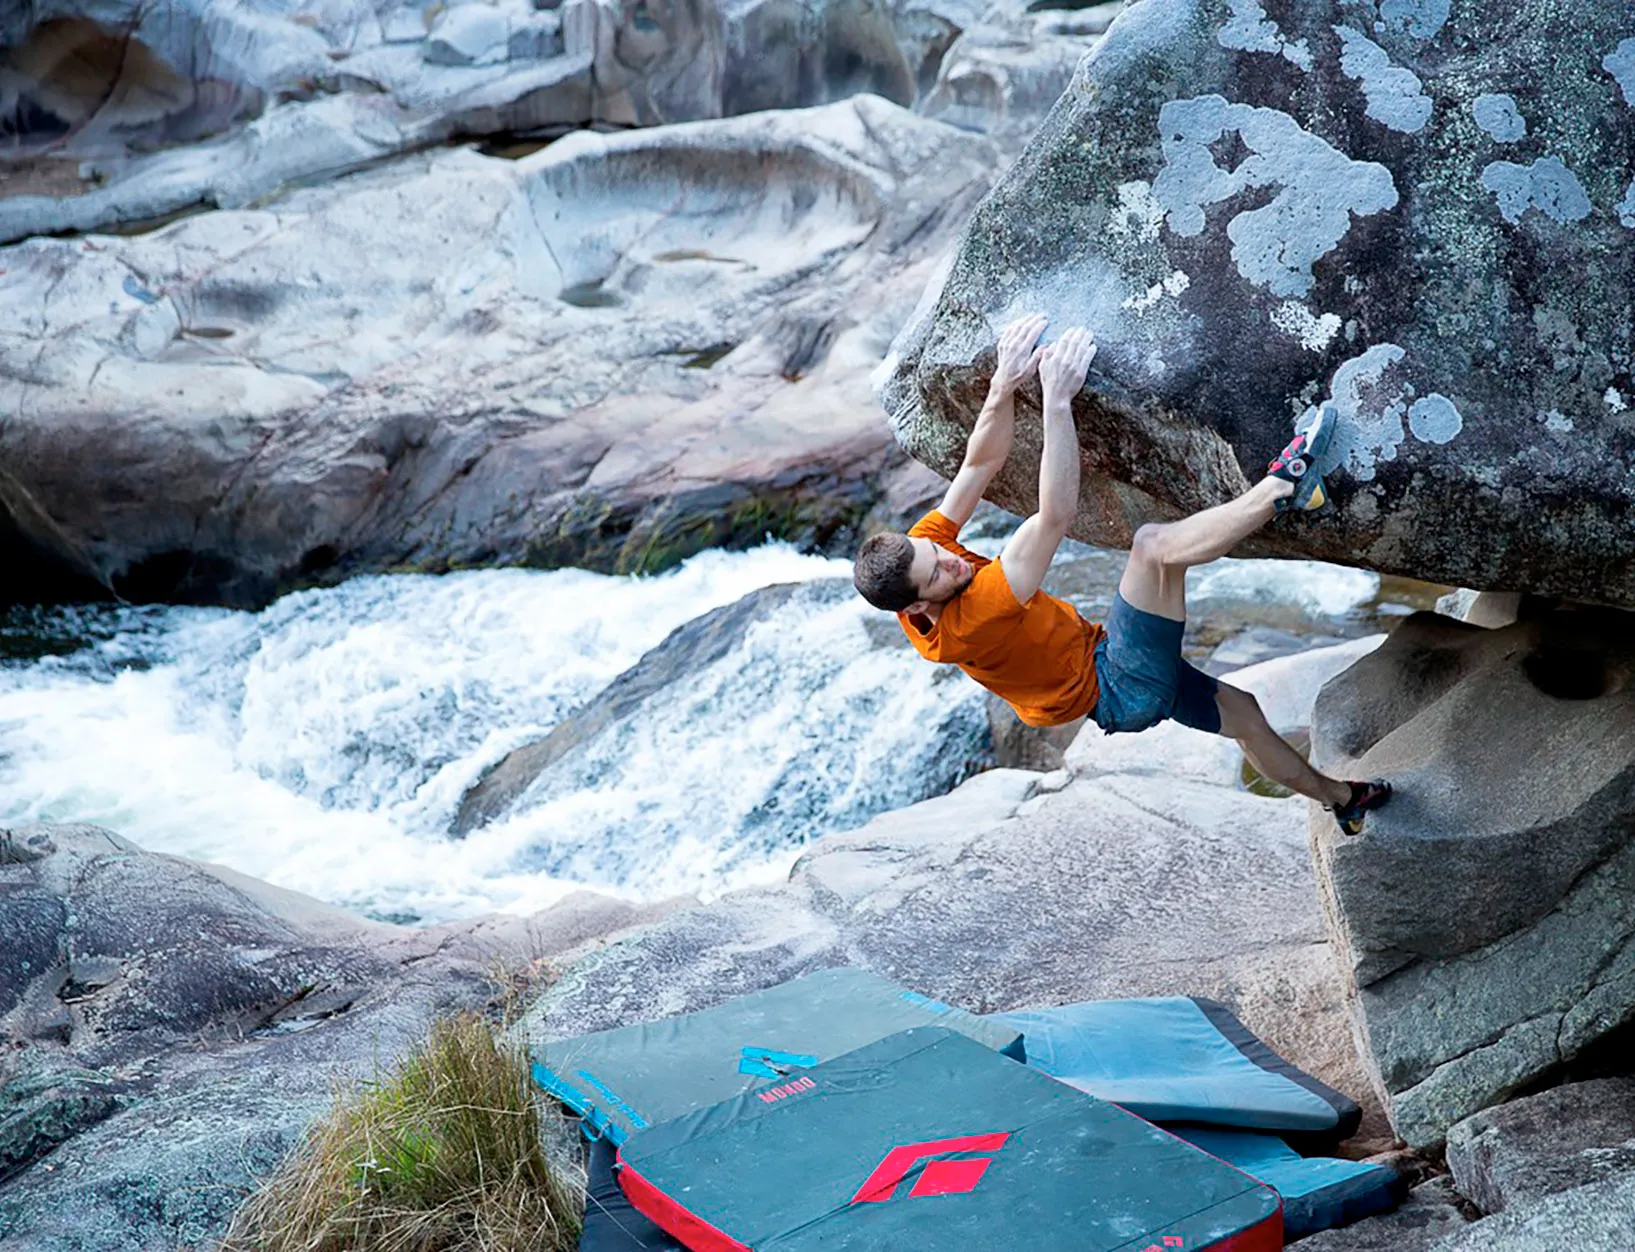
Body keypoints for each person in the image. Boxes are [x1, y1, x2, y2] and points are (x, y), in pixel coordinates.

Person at [854, 315, 1391, 836]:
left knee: (1245, 717)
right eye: (938, 573)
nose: (949, 557)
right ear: (917, 609)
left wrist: (1003, 384)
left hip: (1108, 665)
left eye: (933, 549)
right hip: (1118, 682)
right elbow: (1055, 515)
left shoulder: (920, 554)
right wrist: (1057, 401)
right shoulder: (975, 618)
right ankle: (1284, 491)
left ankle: (1345, 801)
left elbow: (977, 466)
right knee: (1152, 547)